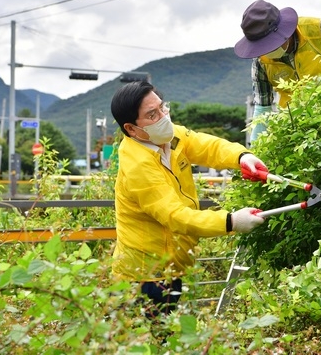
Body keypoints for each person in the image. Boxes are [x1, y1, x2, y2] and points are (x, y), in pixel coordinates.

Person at [110, 81, 268, 317]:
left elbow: (206, 146)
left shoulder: (170, 138)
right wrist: (231, 222)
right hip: (144, 275)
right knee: (145, 341)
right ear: (131, 129)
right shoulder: (138, 165)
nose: (164, 117)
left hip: (171, 267)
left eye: (163, 108)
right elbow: (175, 216)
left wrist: (242, 157)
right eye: (152, 114)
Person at [234, 0, 321, 142]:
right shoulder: (260, 62)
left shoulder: (320, 30)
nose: (266, 51)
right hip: (297, 129)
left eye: (269, 44)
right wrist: (256, 150)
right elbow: (263, 109)